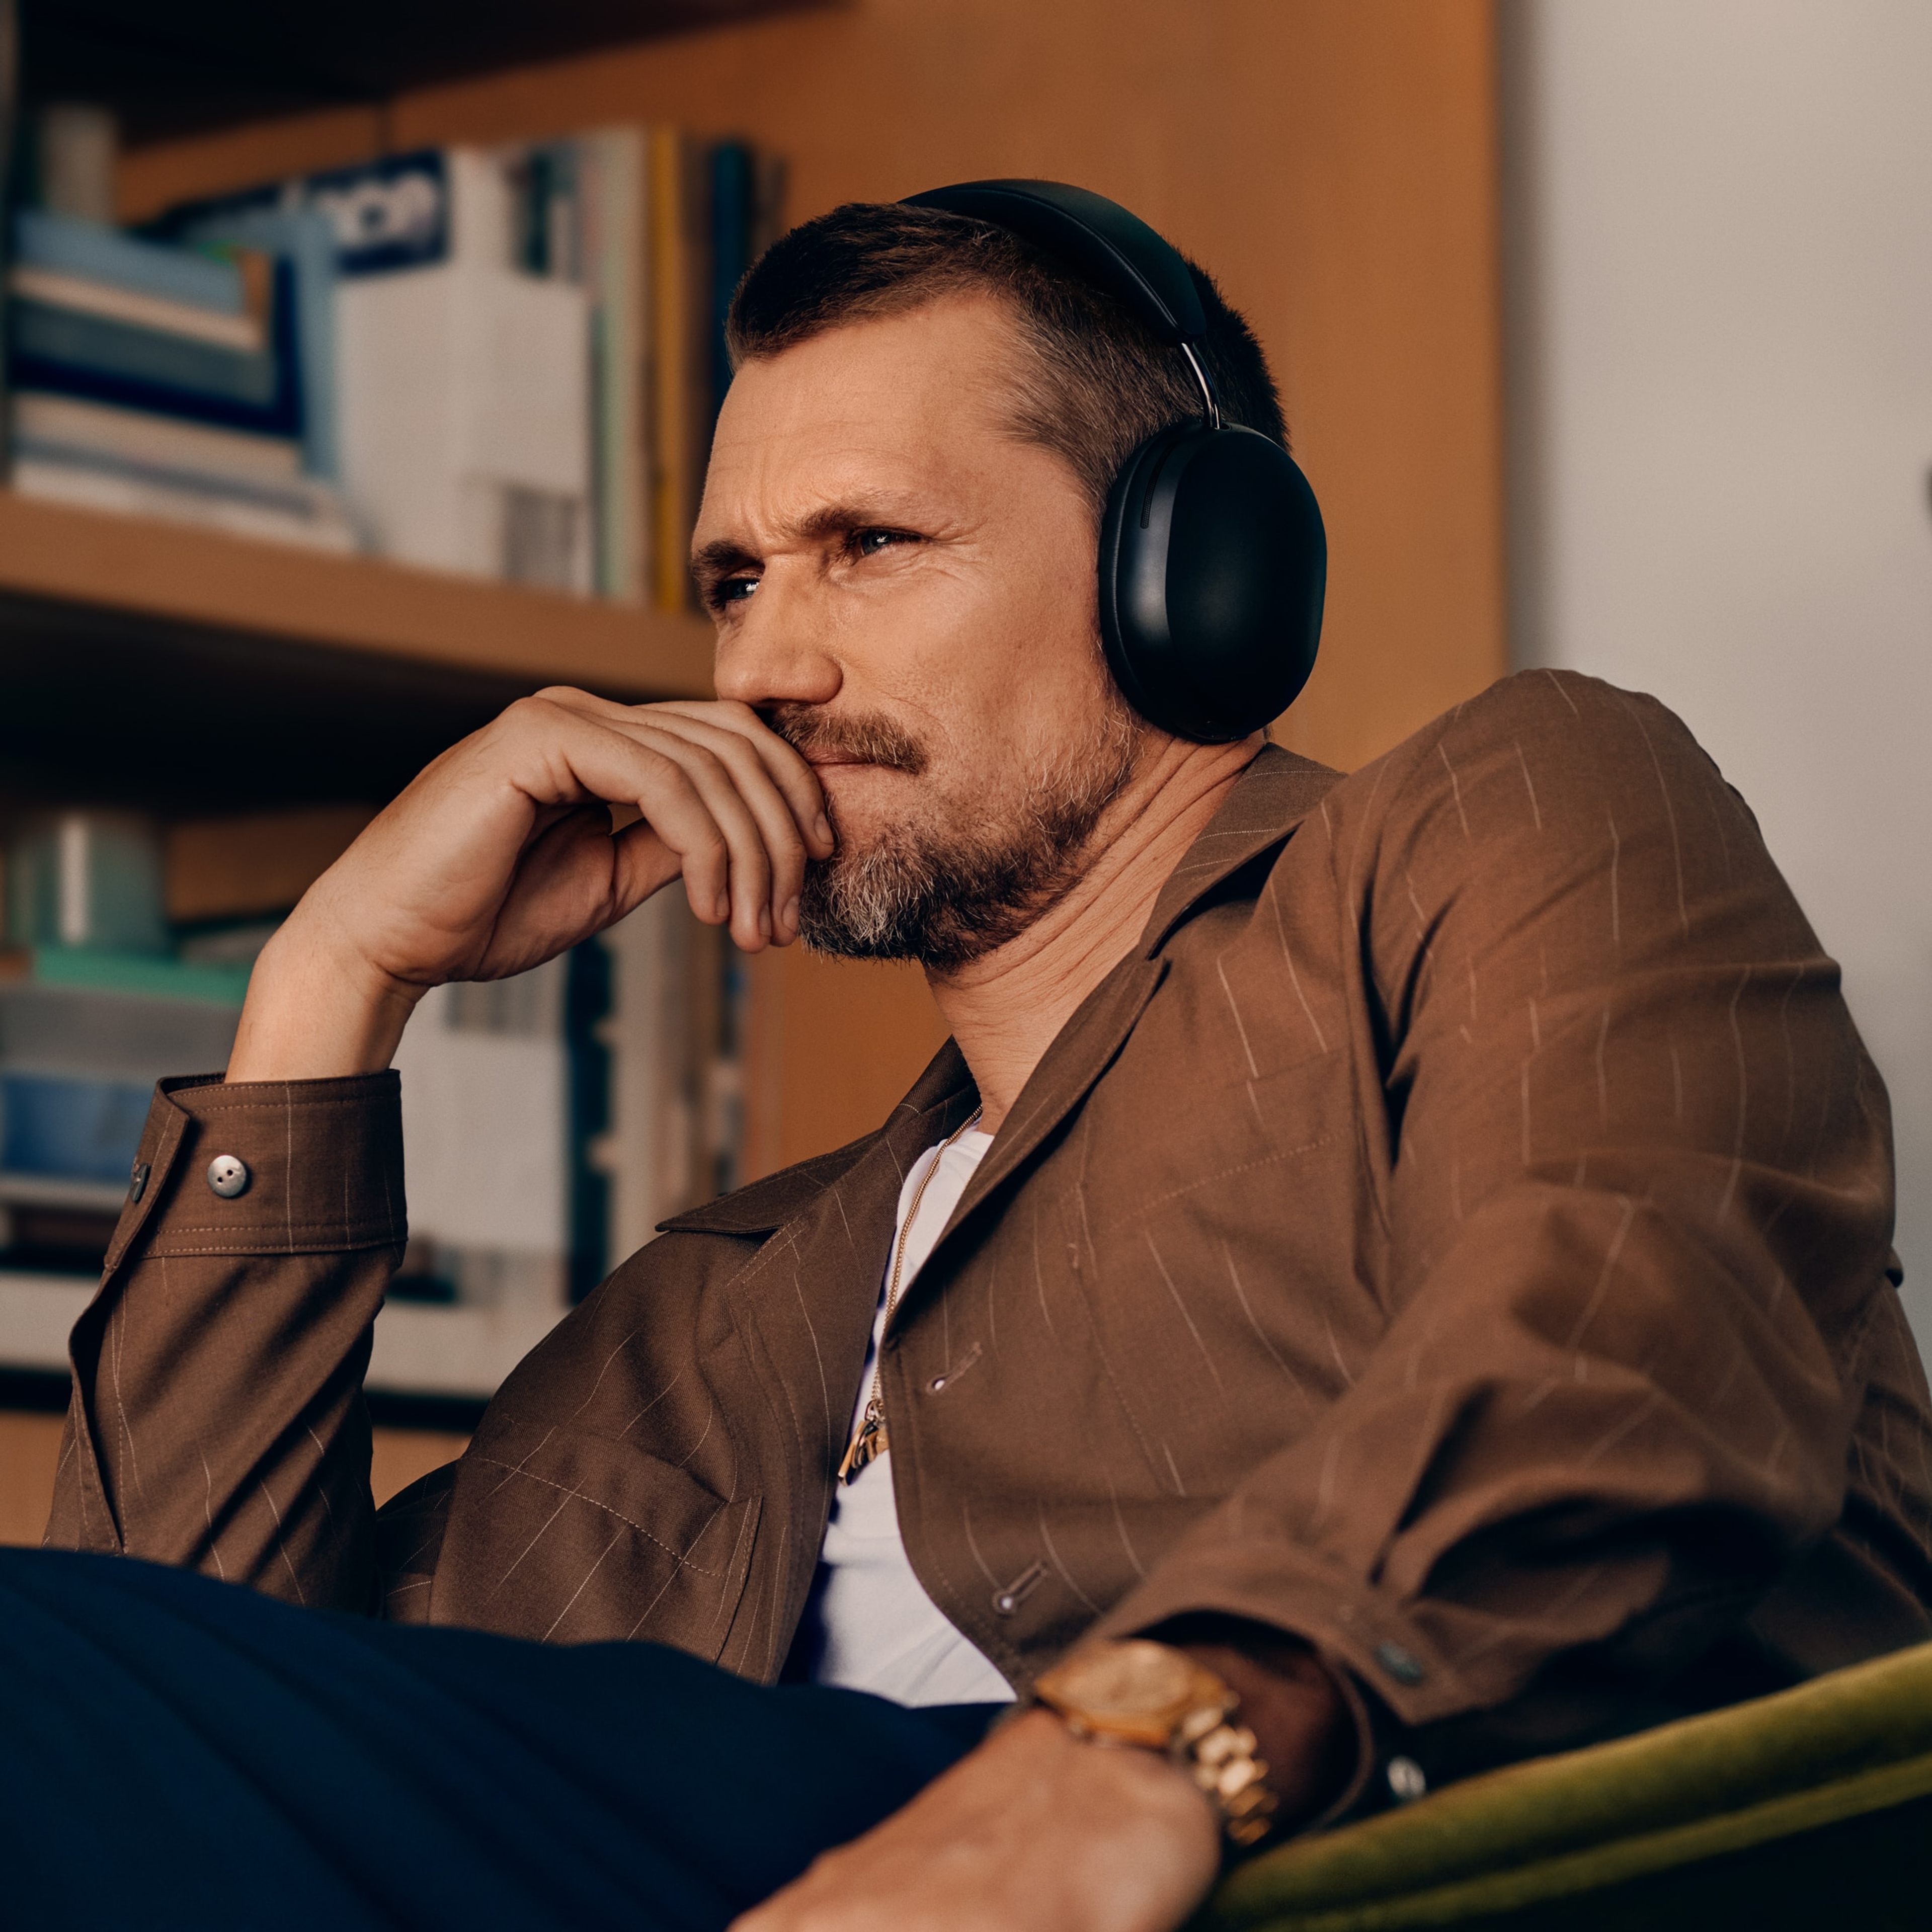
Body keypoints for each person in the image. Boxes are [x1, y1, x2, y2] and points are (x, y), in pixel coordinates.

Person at [18, 189, 1932, 1931]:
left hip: (1321, 1859)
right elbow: (209, 1721)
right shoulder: (712, 1314)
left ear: (1192, 575)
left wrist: (1142, 1753)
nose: (766, 666)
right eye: (736, 580)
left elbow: (1634, 1346)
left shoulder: (1505, 825)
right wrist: (332, 984)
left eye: (867, 545)